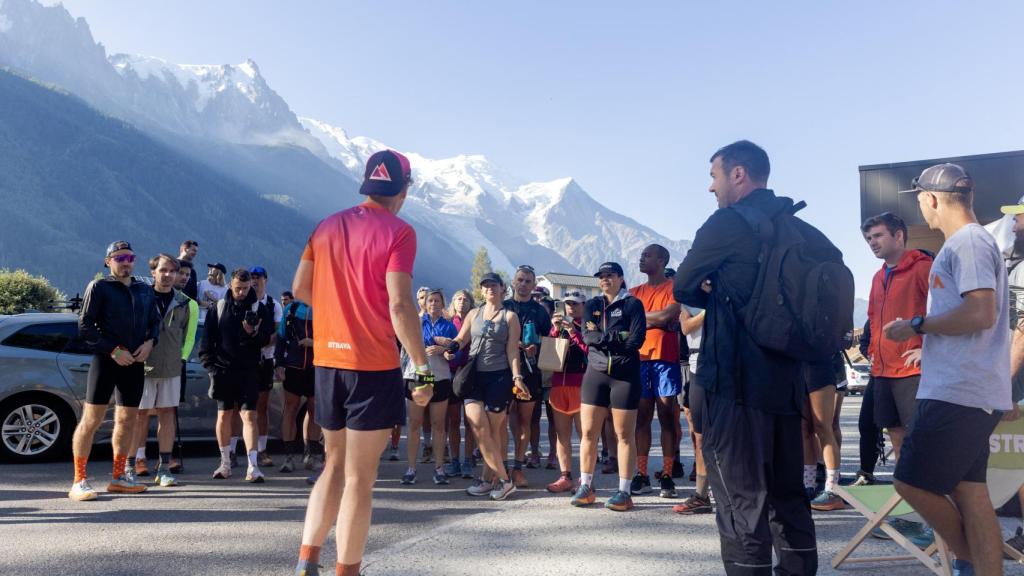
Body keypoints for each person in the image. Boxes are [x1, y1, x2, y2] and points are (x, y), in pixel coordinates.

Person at [675, 141, 817, 574]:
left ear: (738, 174)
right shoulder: (799, 227)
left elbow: (683, 286)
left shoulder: (727, 224)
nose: (711, 187)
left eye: (714, 175)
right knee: (788, 497)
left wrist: (713, 287)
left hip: (734, 386)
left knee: (741, 503)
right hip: (786, 387)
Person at [293, 150, 435, 576]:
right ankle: (347, 571)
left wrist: (340, 308)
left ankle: (306, 560)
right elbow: (399, 303)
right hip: (371, 365)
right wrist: (421, 367)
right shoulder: (400, 232)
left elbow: (301, 288)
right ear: (403, 189)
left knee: (333, 465)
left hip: (327, 363)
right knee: (360, 479)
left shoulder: (326, 225)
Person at [886, 163, 1011, 576]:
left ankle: (970, 561)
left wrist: (916, 326)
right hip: (971, 388)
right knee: (970, 492)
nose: (922, 207)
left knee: (909, 482)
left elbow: (979, 312)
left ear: (932, 199)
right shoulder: (971, 243)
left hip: (958, 390)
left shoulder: (968, 244)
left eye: (921, 199)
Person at [69, 241, 160, 501]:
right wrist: (112, 350)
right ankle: (79, 480)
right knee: (92, 420)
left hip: (135, 361)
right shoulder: (99, 286)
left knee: (127, 420)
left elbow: (155, 323)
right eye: (119, 258)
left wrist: (150, 343)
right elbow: (85, 325)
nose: (126, 261)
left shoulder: (145, 289)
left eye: (130, 257)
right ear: (108, 261)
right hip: (107, 360)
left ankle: (118, 477)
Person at [570, 262, 646, 512]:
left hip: (624, 375)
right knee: (588, 433)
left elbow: (636, 340)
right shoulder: (592, 305)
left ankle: (624, 491)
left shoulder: (633, 304)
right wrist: (616, 336)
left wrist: (605, 338)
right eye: (601, 276)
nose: (604, 280)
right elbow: (588, 337)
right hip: (596, 373)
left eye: (609, 276)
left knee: (624, 435)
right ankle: (586, 486)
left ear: (621, 279)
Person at [446, 273, 525, 499]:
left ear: (502, 289)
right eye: (486, 285)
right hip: (473, 377)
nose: (490, 288)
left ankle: (487, 479)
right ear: (481, 291)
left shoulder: (510, 317)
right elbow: (462, 338)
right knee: (479, 428)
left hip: (499, 378)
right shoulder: (474, 313)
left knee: (493, 431)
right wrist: (452, 346)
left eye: (493, 285)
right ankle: (505, 480)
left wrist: (517, 377)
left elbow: (512, 351)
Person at [862, 212, 932, 464]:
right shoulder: (877, 277)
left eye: (878, 235)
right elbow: (873, 318)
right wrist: (872, 351)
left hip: (912, 372)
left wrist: (928, 350)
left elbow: (945, 312)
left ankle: (928, 499)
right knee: (895, 434)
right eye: (869, 237)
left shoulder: (924, 268)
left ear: (899, 235)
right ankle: (907, 497)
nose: (872, 242)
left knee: (920, 440)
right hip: (882, 371)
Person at [200, 268, 275, 483]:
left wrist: (252, 332)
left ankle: (253, 466)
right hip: (222, 370)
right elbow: (207, 341)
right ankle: (224, 463)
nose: (241, 292)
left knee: (249, 416)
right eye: (237, 288)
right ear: (230, 286)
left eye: (245, 288)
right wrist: (211, 367)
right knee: (224, 415)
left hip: (249, 370)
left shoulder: (259, 308)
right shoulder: (219, 307)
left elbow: (267, 339)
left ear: (250, 286)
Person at [131, 254, 196, 488]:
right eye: (163, 270)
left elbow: (186, 336)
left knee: (167, 415)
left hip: (170, 368)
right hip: (143, 365)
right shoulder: (140, 296)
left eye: (172, 271)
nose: (168, 275)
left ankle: (164, 468)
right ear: (153, 272)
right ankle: (135, 462)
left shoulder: (184, 303)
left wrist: (181, 359)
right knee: (140, 415)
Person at [630, 244, 682, 500]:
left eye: (647, 256)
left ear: (661, 261)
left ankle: (668, 475)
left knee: (666, 417)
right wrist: (654, 318)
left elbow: (668, 317)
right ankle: (641, 474)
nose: (641, 259)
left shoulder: (674, 288)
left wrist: (642, 319)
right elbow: (631, 320)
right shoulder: (633, 292)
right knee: (641, 417)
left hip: (666, 359)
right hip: (640, 359)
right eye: (641, 255)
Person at [401, 289, 458, 485]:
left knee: (438, 425)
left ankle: (439, 468)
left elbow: (455, 353)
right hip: (417, 375)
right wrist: (425, 347)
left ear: (443, 304)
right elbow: (406, 343)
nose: (433, 303)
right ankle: (411, 468)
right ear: (424, 303)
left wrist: (444, 350)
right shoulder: (416, 322)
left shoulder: (449, 326)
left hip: (441, 377)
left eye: (437, 300)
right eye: (430, 300)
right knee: (415, 423)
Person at [501, 265, 551, 487]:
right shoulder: (501, 307)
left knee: (524, 421)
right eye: (520, 280)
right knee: (500, 421)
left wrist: (536, 349)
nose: (523, 284)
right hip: (501, 371)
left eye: (528, 281)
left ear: (533, 285)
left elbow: (548, 342)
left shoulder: (540, 311)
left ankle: (518, 468)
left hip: (529, 372)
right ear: (513, 282)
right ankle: (499, 468)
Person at [545, 290, 587, 493]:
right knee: (562, 435)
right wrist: (554, 330)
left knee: (585, 436)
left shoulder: (588, 327)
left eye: (576, 304)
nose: (571, 307)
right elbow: (549, 357)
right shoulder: (558, 328)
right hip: (558, 386)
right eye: (568, 303)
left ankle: (586, 479)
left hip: (581, 386)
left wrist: (573, 333)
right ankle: (565, 476)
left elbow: (591, 351)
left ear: (584, 306)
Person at [673, 303, 713, 515]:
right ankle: (701, 495)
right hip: (697, 366)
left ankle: (730, 491)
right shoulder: (688, 301)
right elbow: (686, 326)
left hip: (727, 366)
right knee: (700, 436)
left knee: (730, 434)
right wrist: (708, 311)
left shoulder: (729, 290)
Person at [274, 297, 320, 474]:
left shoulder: (326, 306)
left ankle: (311, 456)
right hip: (293, 366)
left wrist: (314, 343)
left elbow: (334, 336)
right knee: (291, 409)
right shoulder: (292, 308)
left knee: (315, 410)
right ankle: (288, 457)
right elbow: (281, 337)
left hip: (317, 367)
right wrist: (279, 364)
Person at [249, 266, 284, 468]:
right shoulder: (244, 301)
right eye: (252, 278)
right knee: (240, 407)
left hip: (266, 359)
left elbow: (278, 332)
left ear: (265, 279)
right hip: (246, 360)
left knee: (262, 406)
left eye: (258, 277)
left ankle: (262, 449)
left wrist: (261, 344)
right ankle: (238, 450)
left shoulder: (273, 304)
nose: (255, 281)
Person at [804, 353, 847, 511]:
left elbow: (843, 336)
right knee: (805, 430)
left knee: (824, 427)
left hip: (821, 365)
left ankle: (832, 489)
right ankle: (808, 485)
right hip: (796, 365)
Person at [443, 289, 476, 478]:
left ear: (471, 303)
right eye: (458, 299)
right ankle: (454, 461)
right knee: (453, 420)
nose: (462, 302)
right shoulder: (448, 323)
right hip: (451, 374)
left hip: (471, 374)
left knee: (471, 421)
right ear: (453, 303)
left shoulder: (475, 321)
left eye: (465, 299)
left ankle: (468, 461)